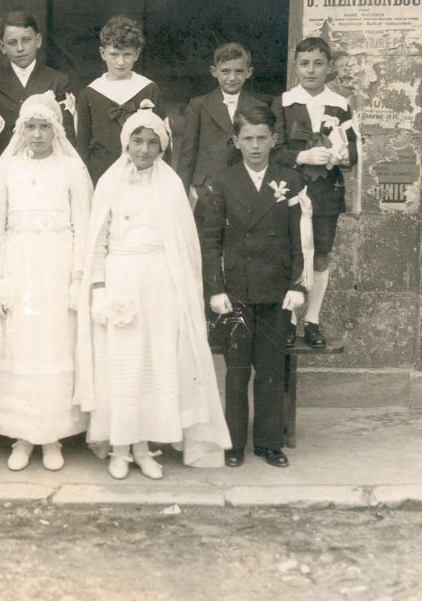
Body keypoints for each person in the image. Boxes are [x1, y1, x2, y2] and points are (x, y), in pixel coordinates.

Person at [75, 102, 231, 480]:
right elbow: (98, 240)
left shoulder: (172, 185)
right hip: (121, 278)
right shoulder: (109, 183)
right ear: (125, 144)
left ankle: (144, 446)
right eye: (137, 141)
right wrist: (98, 287)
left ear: (163, 148)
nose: (144, 150)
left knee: (153, 362)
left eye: (152, 143)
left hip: (160, 281)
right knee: (123, 364)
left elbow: (183, 244)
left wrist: (182, 292)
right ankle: (119, 447)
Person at [0, 94, 90, 471]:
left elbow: (82, 225)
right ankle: (23, 435)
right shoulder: (7, 170)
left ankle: (52, 436)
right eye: (30, 126)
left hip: (57, 265)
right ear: (21, 130)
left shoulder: (71, 170)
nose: (37, 133)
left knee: (54, 344)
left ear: (56, 129)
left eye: (45, 126)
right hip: (20, 263)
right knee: (22, 345)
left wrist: (78, 276)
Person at [201, 105, 309, 468]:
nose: (256, 145)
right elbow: (211, 241)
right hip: (237, 290)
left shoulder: (290, 180)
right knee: (236, 369)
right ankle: (233, 443)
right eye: (248, 138)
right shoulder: (221, 181)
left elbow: (301, 238)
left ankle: (267, 442)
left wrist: (297, 284)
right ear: (236, 141)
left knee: (270, 367)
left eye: (263, 138)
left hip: (277, 288)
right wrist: (216, 289)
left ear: (275, 139)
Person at [271, 36, 358, 349]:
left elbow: (353, 148)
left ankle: (312, 320)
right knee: (292, 254)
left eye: (318, 63)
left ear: (329, 67)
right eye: (304, 64)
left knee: (320, 253)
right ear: (295, 66)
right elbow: (274, 151)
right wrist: (302, 156)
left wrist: (344, 156)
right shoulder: (283, 102)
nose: (311, 70)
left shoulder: (340, 104)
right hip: (290, 192)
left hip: (325, 193)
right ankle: (289, 321)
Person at [176, 42, 267, 228]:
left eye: (239, 71)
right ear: (214, 71)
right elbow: (187, 154)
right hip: (205, 191)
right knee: (206, 246)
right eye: (225, 71)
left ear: (248, 72)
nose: (232, 78)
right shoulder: (198, 105)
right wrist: (181, 196)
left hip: (246, 189)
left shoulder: (259, 106)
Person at [75, 15, 165, 187]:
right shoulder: (90, 93)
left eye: (127, 55)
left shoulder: (149, 89)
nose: (120, 62)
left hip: (142, 172)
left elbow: (162, 139)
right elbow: (83, 143)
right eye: (114, 55)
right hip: (102, 172)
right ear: (103, 53)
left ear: (137, 54)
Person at [0, 11, 75, 164]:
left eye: (26, 40)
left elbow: (66, 133)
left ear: (38, 40)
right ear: (2, 47)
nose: (20, 48)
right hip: (8, 164)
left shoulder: (57, 80)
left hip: (48, 164)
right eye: (12, 43)